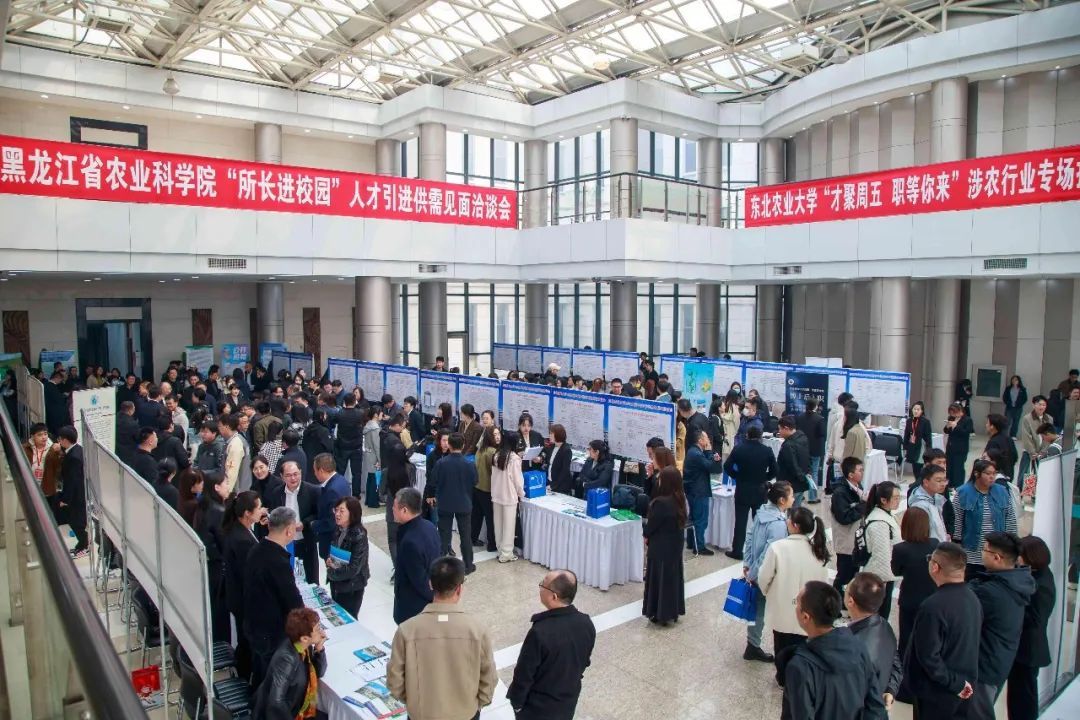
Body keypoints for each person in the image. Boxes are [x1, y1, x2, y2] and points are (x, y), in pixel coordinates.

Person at [387, 555, 495, 719]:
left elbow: (394, 680)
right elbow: (489, 676)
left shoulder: (407, 630)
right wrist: (477, 705)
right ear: (459, 588)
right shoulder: (477, 630)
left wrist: (414, 703)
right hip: (465, 714)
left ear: (430, 584)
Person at [779, 581, 886, 720]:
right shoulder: (857, 646)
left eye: (796, 603)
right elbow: (875, 705)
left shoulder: (800, 666)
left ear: (805, 617)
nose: (795, 606)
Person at [901, 542, 980, 720]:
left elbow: (928, 656)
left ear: (935, 567)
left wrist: (954, 683)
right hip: (962, 686)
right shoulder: (973, 598)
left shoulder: (933, 606)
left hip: (936, 692)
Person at [507, 570, 596, 720]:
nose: (540, 587)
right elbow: (584, 661)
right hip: (568, 702)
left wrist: (517, 703)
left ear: (554, 596)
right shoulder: (586, 622)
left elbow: (524, 674)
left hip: (537, 708)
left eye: (543, 585)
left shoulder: (540, 632)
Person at [968, 531, 1036, 720]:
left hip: (984, 668)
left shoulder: (992, 592)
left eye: (984, 550)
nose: (981, 553)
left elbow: (963, 608)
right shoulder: (1017, 582)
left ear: (997, 557)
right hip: (998, 661)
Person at [757, 507, 831, 667]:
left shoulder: (777, 548)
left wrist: (768, 593)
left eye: (788, 519)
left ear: (795, 526)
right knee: (803, 652)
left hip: (782, 609)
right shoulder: (818, 550)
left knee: (781, 648)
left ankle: (782, 676)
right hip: (809, 613)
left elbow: (763, 578)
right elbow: (824, 584)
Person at [244, 506, 304, 686]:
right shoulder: (278, 561)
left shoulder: (256, 549)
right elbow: (292, 602)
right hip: (271, 635)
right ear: (289, 530)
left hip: (255, 627)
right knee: (271, 683)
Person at [742, 480, 794, 663]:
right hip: (765, 575)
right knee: (761, 610)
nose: (793, 498)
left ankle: (752, 644)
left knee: (757, 608)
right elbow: (768, 555)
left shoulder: (762, 512)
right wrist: (754, 573)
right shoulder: (778, 524)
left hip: (756, 571)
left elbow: (749, 537)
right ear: (781, 500)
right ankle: (753, 645)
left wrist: (747, 563)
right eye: (791, 495)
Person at [1007, 536, 1056, 720]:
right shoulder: (1034, 575)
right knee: (1016, 696)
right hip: (1021, 648)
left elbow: (1036, 619)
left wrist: (1012, 608)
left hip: (1029, 650)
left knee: (1024, 698)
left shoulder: (1041, 585)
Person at [252, 607, 327, 720]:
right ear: (305, 638)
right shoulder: (287, 659)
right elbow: (276, 702)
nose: (321, 632)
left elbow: (318, 672)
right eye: (317, 629)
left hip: (299, 707)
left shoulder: (303, 647)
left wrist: (319, 649)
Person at [844, 573, 901, 712]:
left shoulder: (850, 647)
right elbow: (896, 665)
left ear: (850, 601)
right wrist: (890, 690)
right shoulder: (885, 626)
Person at [222, 490, 262, 680]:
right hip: (244, 599)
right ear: (247, 513)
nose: (261, 510)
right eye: (259, 507)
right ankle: (245, 676)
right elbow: (249, 573)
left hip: (238, 596)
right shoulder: (242, 540)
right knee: (247, 640)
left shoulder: (239, 530)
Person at [891, 507, 940, 659]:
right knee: (929, 636)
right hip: (932, 596)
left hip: (909, 597)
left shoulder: (900, 549)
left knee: (906, 637)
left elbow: (895, 571)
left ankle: (905, 665)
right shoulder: (935, 544)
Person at [953, 458, 1017, 574]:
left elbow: (1010, 519)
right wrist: (956, 546)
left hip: (996, 551)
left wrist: (1012, 544)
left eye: (994, 473)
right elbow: (957, 521)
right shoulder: (963, 492)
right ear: (977, 474)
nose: (992, 477)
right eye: (988, 474)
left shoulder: (1002, 491)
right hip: (971, 551)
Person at [723, 425, 776, 560]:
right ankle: (758, 550)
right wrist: (765, 478)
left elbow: (727, 466)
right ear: (760, 436)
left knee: (740, 522)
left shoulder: (739, 448)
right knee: (759, 522)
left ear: (747, 435)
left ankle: (737, 551)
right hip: (760, 490)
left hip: (743, 489)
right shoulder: (767, 450)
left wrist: (737, 476)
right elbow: (775, 470)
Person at [642, 467, 687, 625]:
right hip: (675, 546)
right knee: (672, 580)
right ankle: (672, 610)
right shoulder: (680, 500)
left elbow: (651, 526)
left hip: (660, 547)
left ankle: (658, 612)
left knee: (658, 581)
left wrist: (646, 534)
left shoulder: (660, 503)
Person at [264, 460, 320, 584]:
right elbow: (274, 513)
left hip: (305, 541)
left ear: (301, 472)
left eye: (296, 474)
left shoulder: (312, 490)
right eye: (288, 475)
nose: (293, 478)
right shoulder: (277, 493)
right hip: (285, 544)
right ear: (282, 477)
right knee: (287, 579)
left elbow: (318, 514)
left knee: (311, 578)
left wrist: (304, 523)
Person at [392, 487, 442, 625]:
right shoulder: (429, 526)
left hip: (413, 609)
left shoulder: (410, 541)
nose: (392, 509)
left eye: (394, 506)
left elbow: (420, 581)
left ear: (404, 510)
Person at [194, 472, 230, 642]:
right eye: (225, 483)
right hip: (218, 566)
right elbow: (223, 541)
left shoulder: (204, 505)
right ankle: (222, 645)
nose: (228, 487)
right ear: (216, 487)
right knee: (220, 611)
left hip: (210, 565)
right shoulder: (218, 511)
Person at [861, 480, 901, 620]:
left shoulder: (886, 516)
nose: (898, 501)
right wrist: (886, 577)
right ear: (883, 500)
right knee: (879, 616)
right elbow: (881, 555)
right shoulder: (879, 523)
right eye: (895, 498)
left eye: (899, 497)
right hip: (880, 578)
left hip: (884, 575)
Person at [326, 496, 370, 616]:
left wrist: (332, 573)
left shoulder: (359, 535)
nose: (337, 514)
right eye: (336, 510)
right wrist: (330, 560)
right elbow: (336, 551)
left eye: (342, 511)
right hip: (337, 582)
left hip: (351, 587)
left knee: (348, 618)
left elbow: (354, 568)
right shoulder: (339, 529)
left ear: (352, 513)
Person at [830, 457, 866, 594]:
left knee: (853, 574)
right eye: (860, 470)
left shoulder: (858, 486)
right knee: (844, 575)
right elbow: (844, 517)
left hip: (856, 539)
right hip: (846, 541)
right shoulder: (840, 493)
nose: (862, 472)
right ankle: (837, 600)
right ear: (850, 474)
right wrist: (863, 505)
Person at [490, 430, 524, 563]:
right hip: (509, 495)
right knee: (508, 527)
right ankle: (506, 553)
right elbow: (517, 480)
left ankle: (500, 550)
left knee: (498, 525)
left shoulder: (497, 454)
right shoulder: (514, 458)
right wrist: (521, 493)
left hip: (496, 494)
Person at [311, 452, 350, 562]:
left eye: (315, 470)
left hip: (334, 542)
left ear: (321, 470)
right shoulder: (341, 480)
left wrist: (313, 524)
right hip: (342, 538)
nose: (314, 474)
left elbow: (332, 522)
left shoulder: (332, 491)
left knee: (335, 569)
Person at [56, 426, 88, 557]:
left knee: (76, 522)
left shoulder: (73, 457)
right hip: (79, 493)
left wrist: (65, 499)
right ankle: (82, 544)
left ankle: (84, 545)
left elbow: (72, 481)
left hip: (77, 495)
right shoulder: (77, 449)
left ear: (64, 440)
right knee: (77, 521)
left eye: (60, 439)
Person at [23, 422, 62, 512]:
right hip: (30, 487)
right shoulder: (25, 448)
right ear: (33, 436)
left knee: (48, 512)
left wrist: (59, 453)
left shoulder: (54, 448)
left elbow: (59, 468)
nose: (44, 437)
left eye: (45, 434)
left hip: (48, 489)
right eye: (39, 435)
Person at [471, 426, 498, 552]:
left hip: (477, 487)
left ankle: (473, 538)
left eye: (498, 434)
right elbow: (495, 472)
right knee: (490, 518)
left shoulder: (480, 449)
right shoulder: (492, 452)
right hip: (487, 489)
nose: (497, 437)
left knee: (476, 515)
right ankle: (492, 544)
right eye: (495, 435)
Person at [908, 464, 949, 542]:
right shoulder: (919, 506)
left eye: (944, 480)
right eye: (939, 481)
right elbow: (920, 535)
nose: (943, 484)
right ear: (926, 482)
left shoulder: (936, 497)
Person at [776, 415, 811, 505]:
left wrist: (801, 477)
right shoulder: (803, 437)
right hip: (801, 483)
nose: (779, 432)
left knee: (791, 510)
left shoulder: (788, 445)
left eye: (780, 429)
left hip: (791, 485)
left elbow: (792, 465)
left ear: (786, 428)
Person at [796, 398, 827, 499]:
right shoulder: (820, 419)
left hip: (801, 449)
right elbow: (823, 434)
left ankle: (800, 495)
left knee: (801, 472)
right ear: (816, 406)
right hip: (815, 449)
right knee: (814, 472)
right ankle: (812, 497)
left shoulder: (800, 417)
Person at [1018, 395, 1052, 481]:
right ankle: (1021, 489)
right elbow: (1026, 436)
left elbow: (1049, 436)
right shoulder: (1027, 418)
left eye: (1044, 405)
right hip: (1029, 452)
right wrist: (1032, 452)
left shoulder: (1049, 419)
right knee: (1024, 474)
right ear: (1034, 405)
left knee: (1041, 476)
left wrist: (1043, 451)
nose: (1042, 407)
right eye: (1039, 404)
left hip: (1043, 453)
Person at [334, 393, 365, 479]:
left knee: (340, 471)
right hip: (356, 447)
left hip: (342, 446)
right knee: (357, 473)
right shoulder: (360, 413)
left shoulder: (339, 413)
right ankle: (356, 488)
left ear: (344, 402)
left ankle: (339, 486)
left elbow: (334, 422)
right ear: (355, 401)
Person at [943, 402, 973, 488]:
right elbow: (946, 431)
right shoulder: (951, 418)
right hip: (950, 447)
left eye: (954, 413)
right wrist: (948, 426)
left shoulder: (967, 420)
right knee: (949, 467)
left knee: (958, 468)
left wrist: (956, 426)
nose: (953, 415)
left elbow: (966, 432)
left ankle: (958, 486)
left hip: (960, 448)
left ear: (959, 411)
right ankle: (949, 485)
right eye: (951, 413)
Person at [220, 413, 252, 493]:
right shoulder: (237, 440)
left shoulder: (235, 444)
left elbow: (231, 472)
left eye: (220, 426)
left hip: (237, 490)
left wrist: (226, 492)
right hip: (241, 487)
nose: (218, 429)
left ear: (227, 426)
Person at [537, 423, 573, 495]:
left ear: (558, 435)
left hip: (560, 486)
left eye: (551, 434)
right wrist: (540, 458)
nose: (549, 436)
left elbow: (564, 471)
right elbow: (546, 456)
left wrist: (553, 485)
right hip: (550, 481)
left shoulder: (566, 450)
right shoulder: (552, 446)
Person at [301, 408, 334, 484]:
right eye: (325, 415)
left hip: (308, 460)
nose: (326, 417)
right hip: (321, 461)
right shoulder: (324, 431)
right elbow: (330, 447)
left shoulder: (308, 429)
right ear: (321, 416)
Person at [903, 401, 933, 481]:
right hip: (912, 446)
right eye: (914, 409)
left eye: (918, 409)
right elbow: (906, 435)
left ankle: (920, 482)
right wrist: (905, 448)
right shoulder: (909, 421)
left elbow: (928, 438)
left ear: (922, 411)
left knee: (919, 466)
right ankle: (918, 482)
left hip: (921, 447)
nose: (916, 411)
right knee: (914, 467)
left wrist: (929, 451)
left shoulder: (925, 422)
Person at [360, 405, 383, 506]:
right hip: (374, 456)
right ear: (376, 415)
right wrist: (380, 460)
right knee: (374, 479)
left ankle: (368, 500)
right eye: (381, 413)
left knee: (370, 478)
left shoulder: (368, 425)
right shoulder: (375, 428)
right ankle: (373, 502)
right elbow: (377, 446)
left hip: (369, 454)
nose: (382, 415)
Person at [984, 413, 1017, 483]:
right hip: (1009, 474)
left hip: (996, 477)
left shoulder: (993, 442)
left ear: (992, 426)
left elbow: (988, 461)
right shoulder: (1009, 439)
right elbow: (1015, 456)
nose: (986, 425)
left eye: (987, 423)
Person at [115, 401, 140, 465]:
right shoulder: (133, 424)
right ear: (130, 411)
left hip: (117, 448)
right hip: (128, 452)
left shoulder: (115, 417)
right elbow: (137, 438)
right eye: (134, 409)